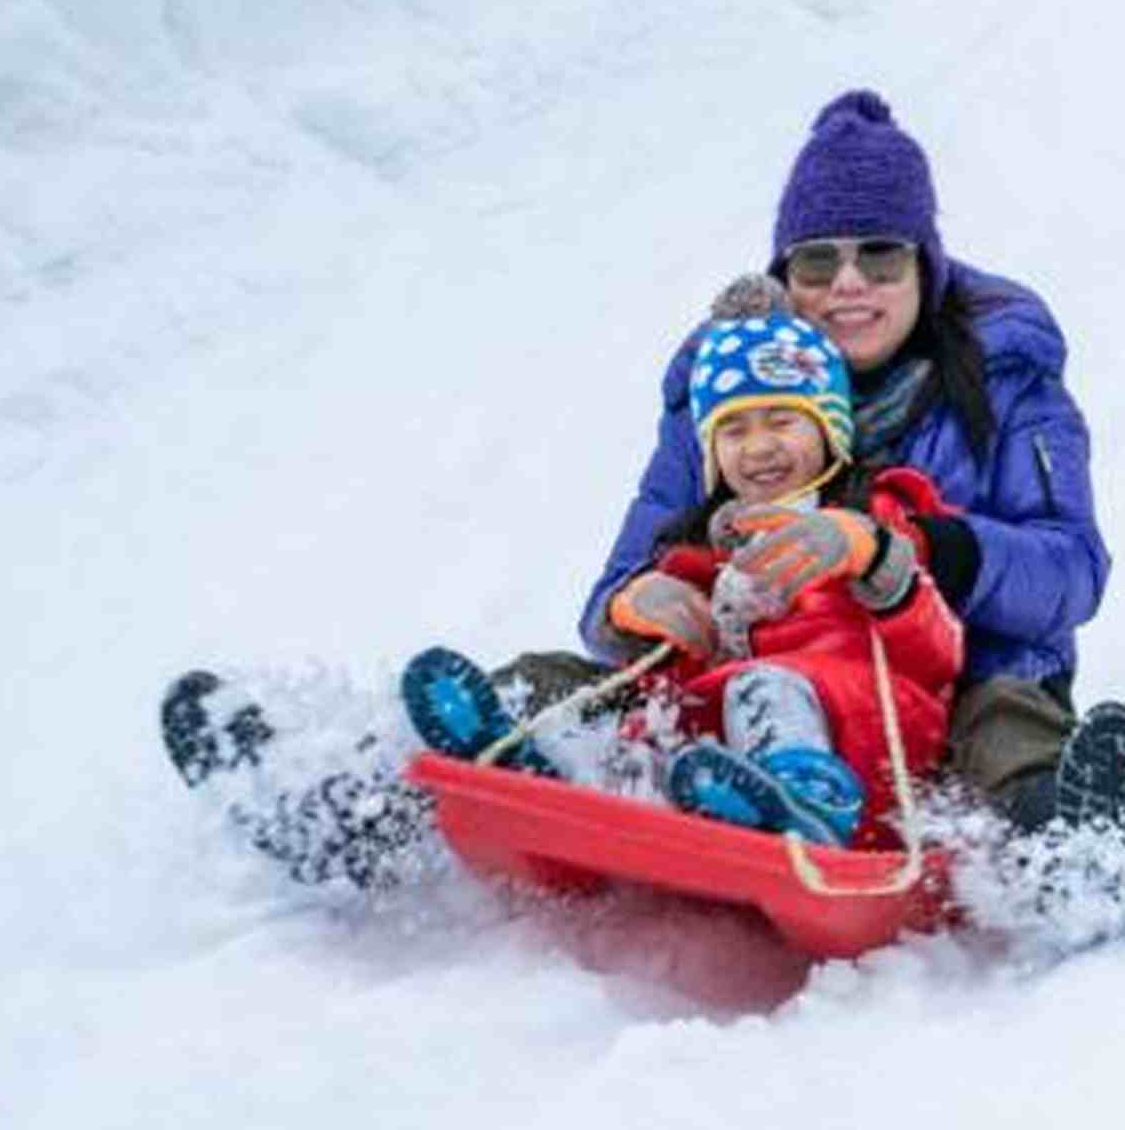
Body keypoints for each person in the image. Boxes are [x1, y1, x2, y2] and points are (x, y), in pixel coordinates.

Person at [532, 88, 1125, 839]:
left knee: (1002, 722)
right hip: (756, 678)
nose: (849, 284)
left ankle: (1063, 838)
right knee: (576, 688)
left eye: (881, 255)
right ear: (785, 277)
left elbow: (1071, 573)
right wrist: (636, 604)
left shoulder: (1007, 375)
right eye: (818, 260)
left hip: (956, 684)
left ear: (925, 266)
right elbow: (621, 584)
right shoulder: (725, 391)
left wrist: (912, 550)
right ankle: (450, 774)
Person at [406, 301, 963, 849]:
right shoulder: (701, 550)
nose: (759, 447)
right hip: (727, 753)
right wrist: (635, 605)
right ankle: (537, 768)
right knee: (642, 714)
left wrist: (875, 559)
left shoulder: (875, 515)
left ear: (830, 428)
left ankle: (807, 802)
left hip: (868, 742)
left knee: (762, 685)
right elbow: (663, 662)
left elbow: (939, 655)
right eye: (734, 431)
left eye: (782, 421)